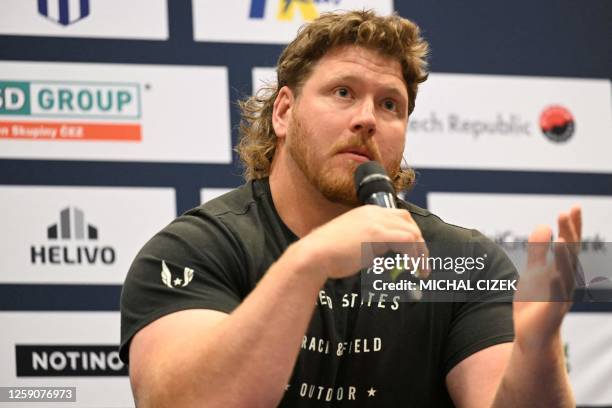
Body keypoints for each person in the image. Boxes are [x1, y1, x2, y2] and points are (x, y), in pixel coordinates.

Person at [120, 10, 581, 407]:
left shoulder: (456, 262)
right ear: (283, 112)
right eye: (342, 92)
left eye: (389, 104)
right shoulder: (195, 250)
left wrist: (538, 352)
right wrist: (307, 263)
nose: (366, 118)